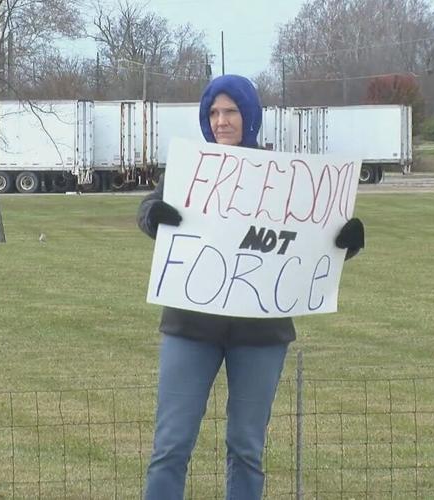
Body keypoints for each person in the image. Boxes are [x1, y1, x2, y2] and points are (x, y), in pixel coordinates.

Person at [137, 74, 365, 500]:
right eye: (213, 112)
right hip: (191, 326)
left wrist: (346, 242)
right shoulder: (193, 169)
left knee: (246, 448)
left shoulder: (284, 176)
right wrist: (152, 216)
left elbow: (311, 240)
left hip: (261, 332)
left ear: (250, 116)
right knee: (170, 446)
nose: (221, 121)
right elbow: (150, 208)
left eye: (231, 111)